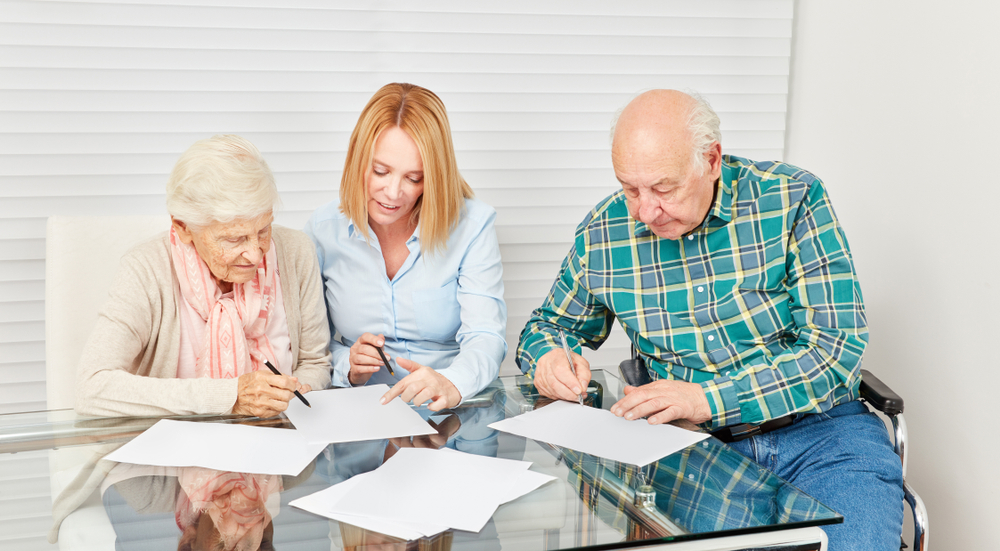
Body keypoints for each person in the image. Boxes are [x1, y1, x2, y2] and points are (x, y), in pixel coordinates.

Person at [516, 89, 903, 550]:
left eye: (664, 188)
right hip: (696, 451)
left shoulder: (792, 198)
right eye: (630, 189)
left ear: (712, 160)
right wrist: (547, 358)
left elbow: (834, 350)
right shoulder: (604, 232)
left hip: (823, 435)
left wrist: (707, 399)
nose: (645, 211)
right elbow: (546, 328)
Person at [75, 135, 331, 418]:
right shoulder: (145, 269)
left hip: (279, 433)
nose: (255, 255)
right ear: (183, 227)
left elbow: (315, 363)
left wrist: (296, 391)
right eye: (233, 239)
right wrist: (230, 396)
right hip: (174, 441)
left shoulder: (296, 251)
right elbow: (92, 388)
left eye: (263, 231)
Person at [306, 82, 506, 411]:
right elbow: (310, 349)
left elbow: (486, 336)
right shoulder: (323, 229)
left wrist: (452, 382)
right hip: (362, 412)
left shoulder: (472, 226)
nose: (393, 192)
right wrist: (348, 365)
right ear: (357, 161)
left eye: (414, 178)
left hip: (449, 412)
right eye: (380, 171)